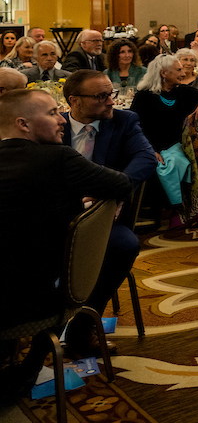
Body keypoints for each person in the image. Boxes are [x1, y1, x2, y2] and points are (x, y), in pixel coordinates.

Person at [0, 89, 132, 360]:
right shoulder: (58, 158)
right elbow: (120, 183)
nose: (62, 119)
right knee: (120, 248)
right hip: (35, 301)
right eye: (52, 113)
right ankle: (36, 363)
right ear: (23, 124)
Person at [60, 70, 158, 347]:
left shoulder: (125, 122)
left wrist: (113, 193)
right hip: (59, 214)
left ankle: (82, 327)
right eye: (101, 96)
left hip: (103, 217)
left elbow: (146, 159)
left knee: (125, 245)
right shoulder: (54, 125)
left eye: (111, 94)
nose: (111, 101)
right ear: (74, 101)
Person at [130, 55, 198, 217]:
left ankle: (177, 206)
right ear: (163, 73)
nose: (183, 73)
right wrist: (150, 150)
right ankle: (170, 206)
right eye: (178, 70)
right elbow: (135, 127)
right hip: (150, 145)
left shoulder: (183, 92)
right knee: (165, 163)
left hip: (177, 144)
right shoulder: (144, 96)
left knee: (174, 160)